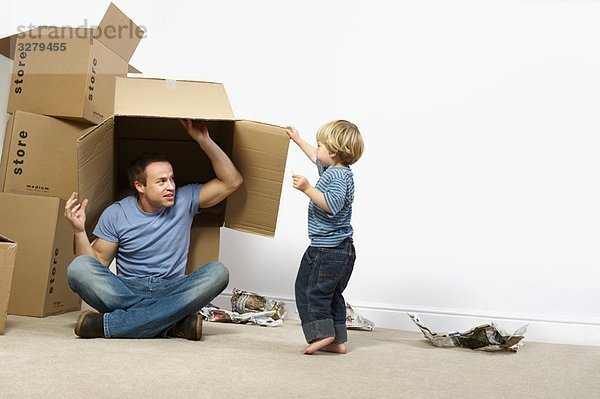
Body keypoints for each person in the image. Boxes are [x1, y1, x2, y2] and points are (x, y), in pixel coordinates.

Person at [64, 119, 243, 340]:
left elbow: (232, 181)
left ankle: (111, 325)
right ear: (140, 186)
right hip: (126, 291)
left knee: (218, 273)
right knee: (77, 268)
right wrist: (80, 231)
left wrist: (203, 139)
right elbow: (96, 263)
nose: (171, 187)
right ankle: (172, 323)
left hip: (173, 288)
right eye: (161, 181)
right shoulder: (117, 213)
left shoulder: (184, 199)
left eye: (171, 179)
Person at [285, 120, 364, 354]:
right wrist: (298, 139)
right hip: (340, 249)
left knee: (310, 290)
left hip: (327, 249)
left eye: (320, 145)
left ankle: (322, 334)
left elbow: (332, 205)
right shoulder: (336, 170)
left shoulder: (337, 178)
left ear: (333, 152)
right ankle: (338, 340)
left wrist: (308, 188)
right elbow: (316, 157)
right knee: (331, 294)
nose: (316, 151)